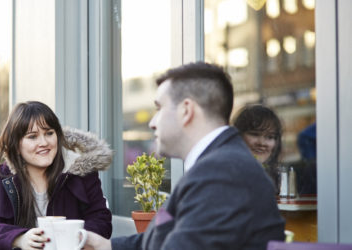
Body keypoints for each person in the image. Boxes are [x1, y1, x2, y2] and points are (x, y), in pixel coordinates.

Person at [84, 62, 285, 250]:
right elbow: (160, 239)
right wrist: (105, 246)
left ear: (186, 110)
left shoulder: (223, 173)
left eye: (159, 108)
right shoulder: (219, 165)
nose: (153, 122)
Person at [0, 101, 113, 249]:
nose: (44, 142)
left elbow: (101, 221)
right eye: (32, 136)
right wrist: (20, 238)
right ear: (16, 145)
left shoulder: (81, 173)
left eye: (49, 133)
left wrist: (78, 238)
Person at [233, 104, 283, 191]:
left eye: (270, 137)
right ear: (239, 135)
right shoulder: (227, 175)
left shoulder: (277, 177)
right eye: (255, 134)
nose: (262, 143)